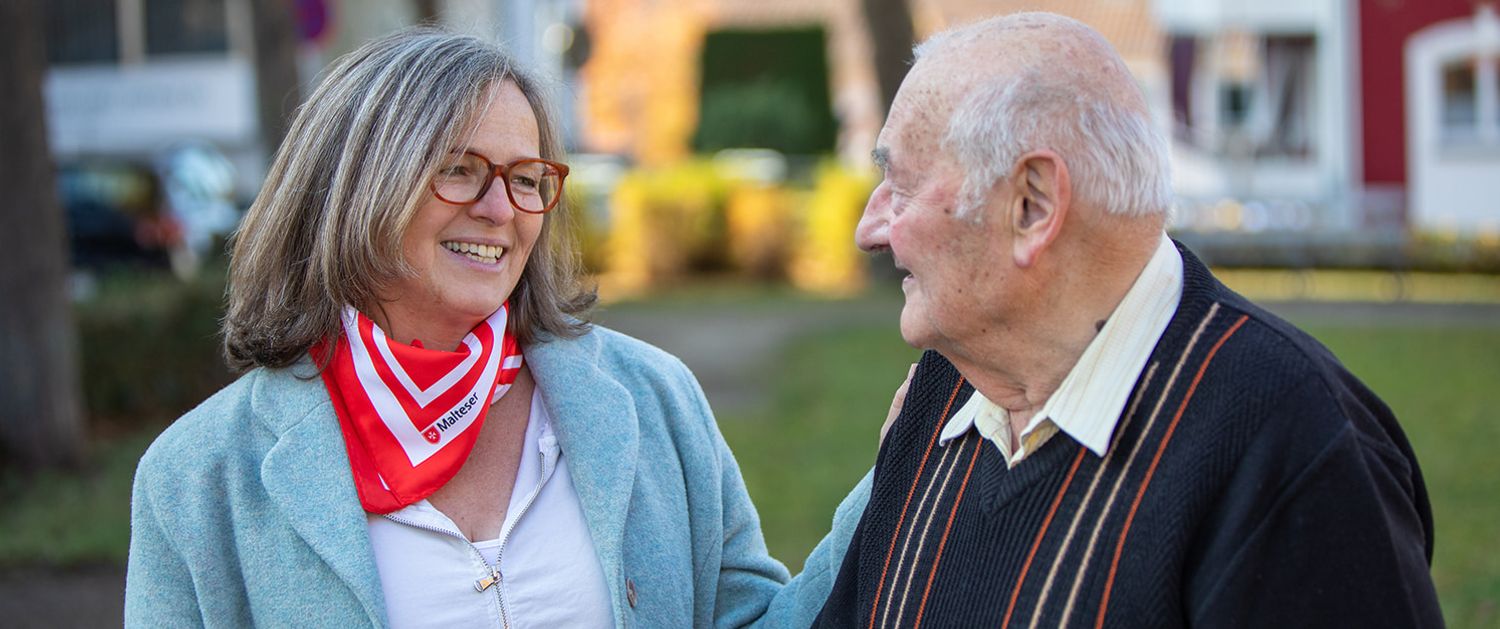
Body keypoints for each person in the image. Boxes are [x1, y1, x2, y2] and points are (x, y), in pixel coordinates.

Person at [124, 29, 824, 627]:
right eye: (459, 169)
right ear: (358, 186)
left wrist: (895, 481)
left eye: (526, 177)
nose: (500, 208)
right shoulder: (197, 478)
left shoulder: (654, 397)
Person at [809, 12, 1444, 628]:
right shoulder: (941, 397)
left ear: (1032, 205)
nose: (870, 229)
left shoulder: (1289, 443)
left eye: (903, 186)